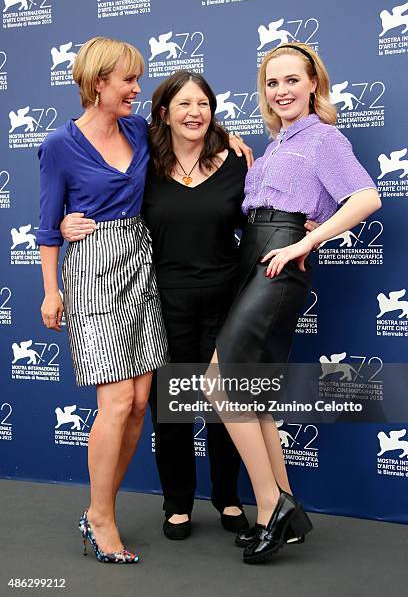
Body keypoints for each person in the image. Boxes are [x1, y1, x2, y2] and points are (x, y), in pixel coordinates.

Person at [61, 71, 256, 540]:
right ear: (164, 114)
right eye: (184, 105)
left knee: (225, 404)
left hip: (226, 298)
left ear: (214, 111)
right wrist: (69, 222)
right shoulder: (143, 160)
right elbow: (100, 194)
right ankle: (177, 503)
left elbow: (262, 216)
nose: (195, 113)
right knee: (171, 407)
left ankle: (228, 498)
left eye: (204, 105)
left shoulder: (237, 160)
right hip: (161, 299)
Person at [213, 42, 381, 564]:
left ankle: (272, 503)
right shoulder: (277, 143)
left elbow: (366, 197)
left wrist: (309, 240)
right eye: (272, 82)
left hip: (281, 262)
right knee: (253, 394)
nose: (281, 90)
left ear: (314, 84)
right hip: (253, 259)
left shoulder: (324, 138)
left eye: (291, 80)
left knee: (221, 381)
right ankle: (279, 515)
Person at [38, 36, 169, 563]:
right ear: (98, 84)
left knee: (139, 404)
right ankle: (102, 519)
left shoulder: (138, 128)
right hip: (92, 269)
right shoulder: (57, 145)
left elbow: (190, 139)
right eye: (128, 80)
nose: (137, 89)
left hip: (141, 264)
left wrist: (236, 148)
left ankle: (99, 509)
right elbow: (49, 225)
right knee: (114, 402)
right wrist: (52, 292)